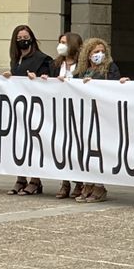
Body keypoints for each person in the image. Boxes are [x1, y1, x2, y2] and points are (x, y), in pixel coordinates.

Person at [72, 38, 128, 202]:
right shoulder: (81, 70)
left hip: (102, 116)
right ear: (88, 54)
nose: (100, 55)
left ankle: (99, 186)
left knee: (99, 151)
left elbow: (113, 86)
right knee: (85, 151)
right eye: (96, 52)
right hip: (84, 116)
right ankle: (87, 184)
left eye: (102, 51)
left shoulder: (110, 68)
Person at [6, 25, 53, 196]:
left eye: (25, 37)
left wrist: (38, 79)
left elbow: (48, 80)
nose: (23, 40)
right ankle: (20, 178)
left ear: (32, 38)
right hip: (20, 108)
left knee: (35, 143)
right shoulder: (16, 59)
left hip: (37, 108)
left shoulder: (42, 59)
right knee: (20, 142)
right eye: (19, 38)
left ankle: (35, 180)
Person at [46, 31, 84, 200]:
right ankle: (65, 182)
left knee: (77, 147)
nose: (61, 45)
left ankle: (79, 182)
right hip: (59, 111)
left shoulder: (83, 66)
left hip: (78, 111)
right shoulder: (55, 65)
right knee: (62, 147)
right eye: (60, 41)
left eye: (65, 42)